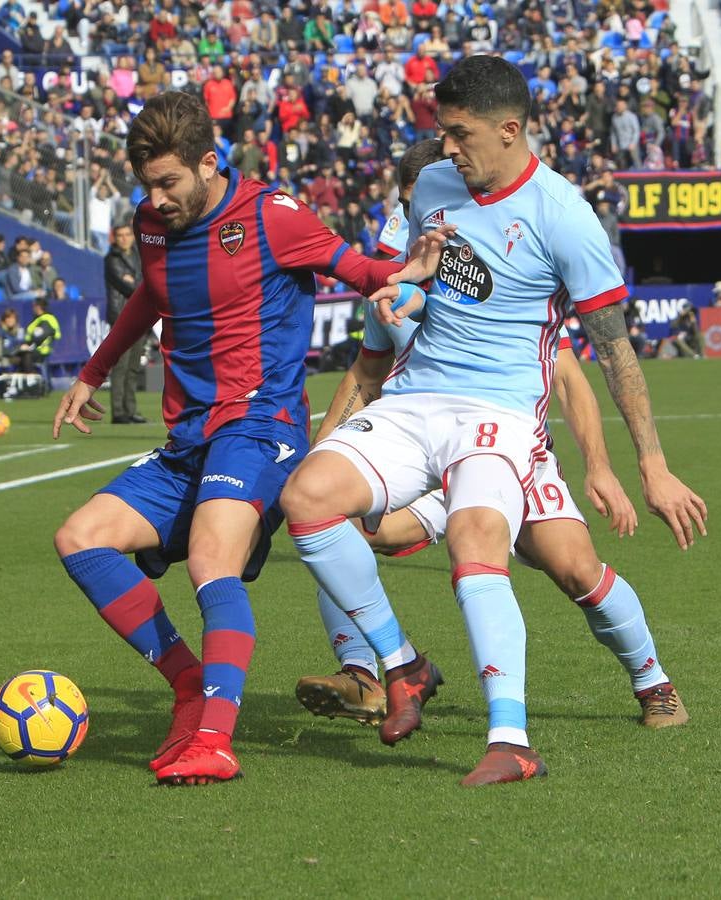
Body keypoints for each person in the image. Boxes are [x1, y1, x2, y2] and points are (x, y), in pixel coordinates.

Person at [281, 56, 706, 786]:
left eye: (458, 133)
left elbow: (608, 353)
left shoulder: (563, 215)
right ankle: (393, 666)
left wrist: (645, 465)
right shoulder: (432, 190)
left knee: (572, 568)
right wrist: (404, 292)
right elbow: (411, 294)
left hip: (507, 423)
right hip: (418, 408)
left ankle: (649, 679)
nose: (445, 148)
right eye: (440, 132)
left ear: (509, 131)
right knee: (311, 500)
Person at [49, 92, 437, 787]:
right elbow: (150, 293)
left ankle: (214, 741)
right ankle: (190, 685)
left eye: (168, 182)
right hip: (191, 436)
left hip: (260, 424)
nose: (156, 198)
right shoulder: (151, 221)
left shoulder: (271, 216)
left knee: (208, 560)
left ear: (208, 162)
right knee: (80, 538)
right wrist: (94, 371)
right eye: (147, 185)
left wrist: (407, 271)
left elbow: (355, 269)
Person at [103, 222, 147, 424]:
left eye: (127, 234)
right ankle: (118, 412)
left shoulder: (139, 255)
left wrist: (137, 282)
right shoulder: (112, 259)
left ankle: (131, 409)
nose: (124, 238)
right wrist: (139, 284)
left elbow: (146, 280)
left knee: (133, 366)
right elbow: (125, 285)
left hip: (140, 314)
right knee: (121, 365)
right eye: (119, 235)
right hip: (121, 315)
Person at [21, 297, 61, 390]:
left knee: (26, 356)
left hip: (41, 350)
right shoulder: (38, 319)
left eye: (34, 306)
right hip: (36, 348)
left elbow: (40, 336)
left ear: (38, 307)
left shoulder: (46, 319)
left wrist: (29, 346)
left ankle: (31, 384)